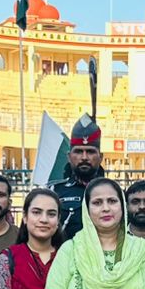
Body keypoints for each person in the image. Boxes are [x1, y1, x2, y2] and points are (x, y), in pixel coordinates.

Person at [53, 58, 107, 240]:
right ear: (69, 156)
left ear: (100, 156)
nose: (84, 157)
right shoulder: (54, 192)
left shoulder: (114, 193)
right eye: (78, 152)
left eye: (90, 151)